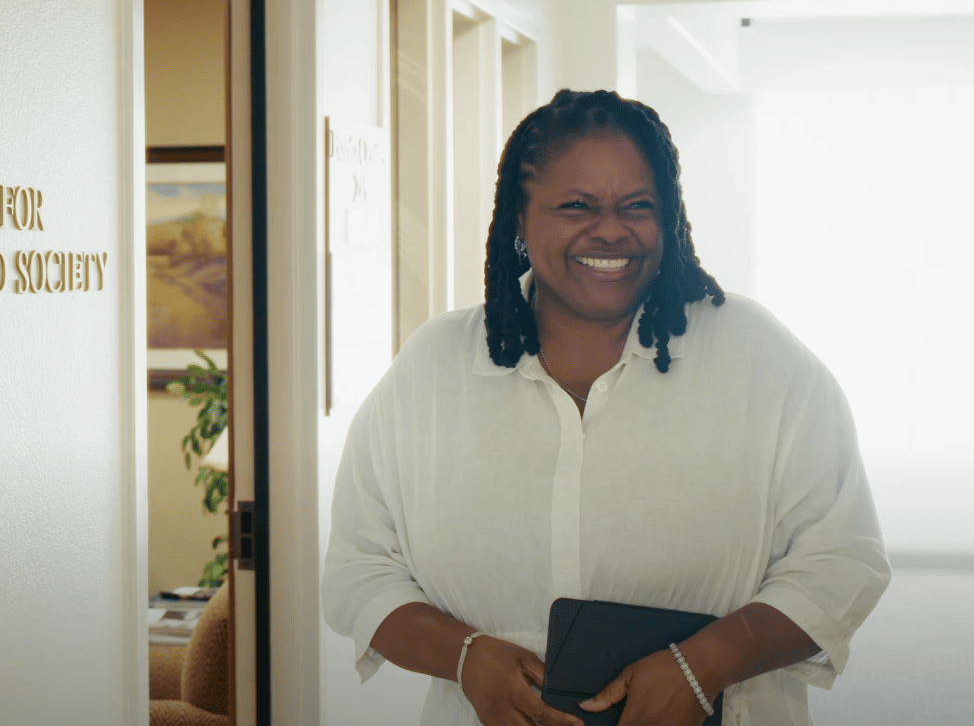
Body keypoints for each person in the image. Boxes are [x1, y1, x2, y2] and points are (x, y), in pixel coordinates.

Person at [321, 89, 890, 726]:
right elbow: (360, 568)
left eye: (638, 206)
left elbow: (843, 560)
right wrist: (464, 657)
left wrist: (704, 666)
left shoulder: (759, 358)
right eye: (578, 206)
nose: (612, 230)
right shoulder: (433, 369)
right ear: (518, 218)